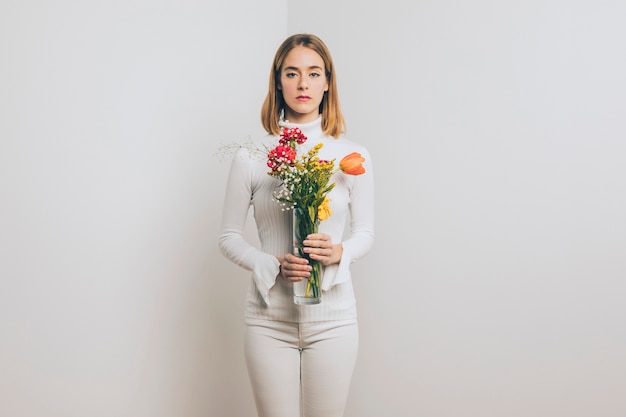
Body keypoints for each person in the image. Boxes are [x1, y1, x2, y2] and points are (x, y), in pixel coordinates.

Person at [218, 33, 375, 417]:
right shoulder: (253, 156)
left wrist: (340, 252)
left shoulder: (350, 156)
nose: (303, 84)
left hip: (334, 320)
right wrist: (271, 264)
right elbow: (228, 237)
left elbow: (365, 233)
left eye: (313, 73)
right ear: (278, 82)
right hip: (268, 320)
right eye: (292, 73)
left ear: (327, 83)